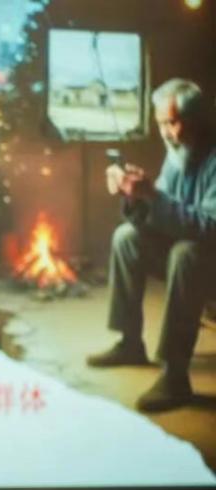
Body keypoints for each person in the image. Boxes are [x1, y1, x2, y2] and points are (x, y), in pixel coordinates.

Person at [88, 78, 216, 412]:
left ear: (195, 119)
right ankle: (130, 342)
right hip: (190, 251)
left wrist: (153, 197)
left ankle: (175, 375)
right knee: (126, 238)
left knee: (186, 254)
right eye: (161, 124)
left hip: (207, 259)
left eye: (172, 123)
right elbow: (161, 217)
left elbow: (210, 228)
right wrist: (135, 196)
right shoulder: (177, 154)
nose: (167, 133)